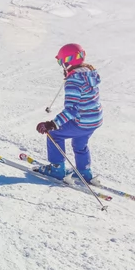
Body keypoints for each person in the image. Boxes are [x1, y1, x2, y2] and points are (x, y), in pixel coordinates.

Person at [33, 43, 102, 182]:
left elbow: (71, 109)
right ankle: (84, 171)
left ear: (67, 62)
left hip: (82, 121)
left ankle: (57, 169)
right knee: (79, 143)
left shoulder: (73, 81)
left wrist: (52, 124)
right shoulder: (90, 74)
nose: (61, 65)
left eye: (61, 62)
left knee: (54, 134)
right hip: (94, 120)